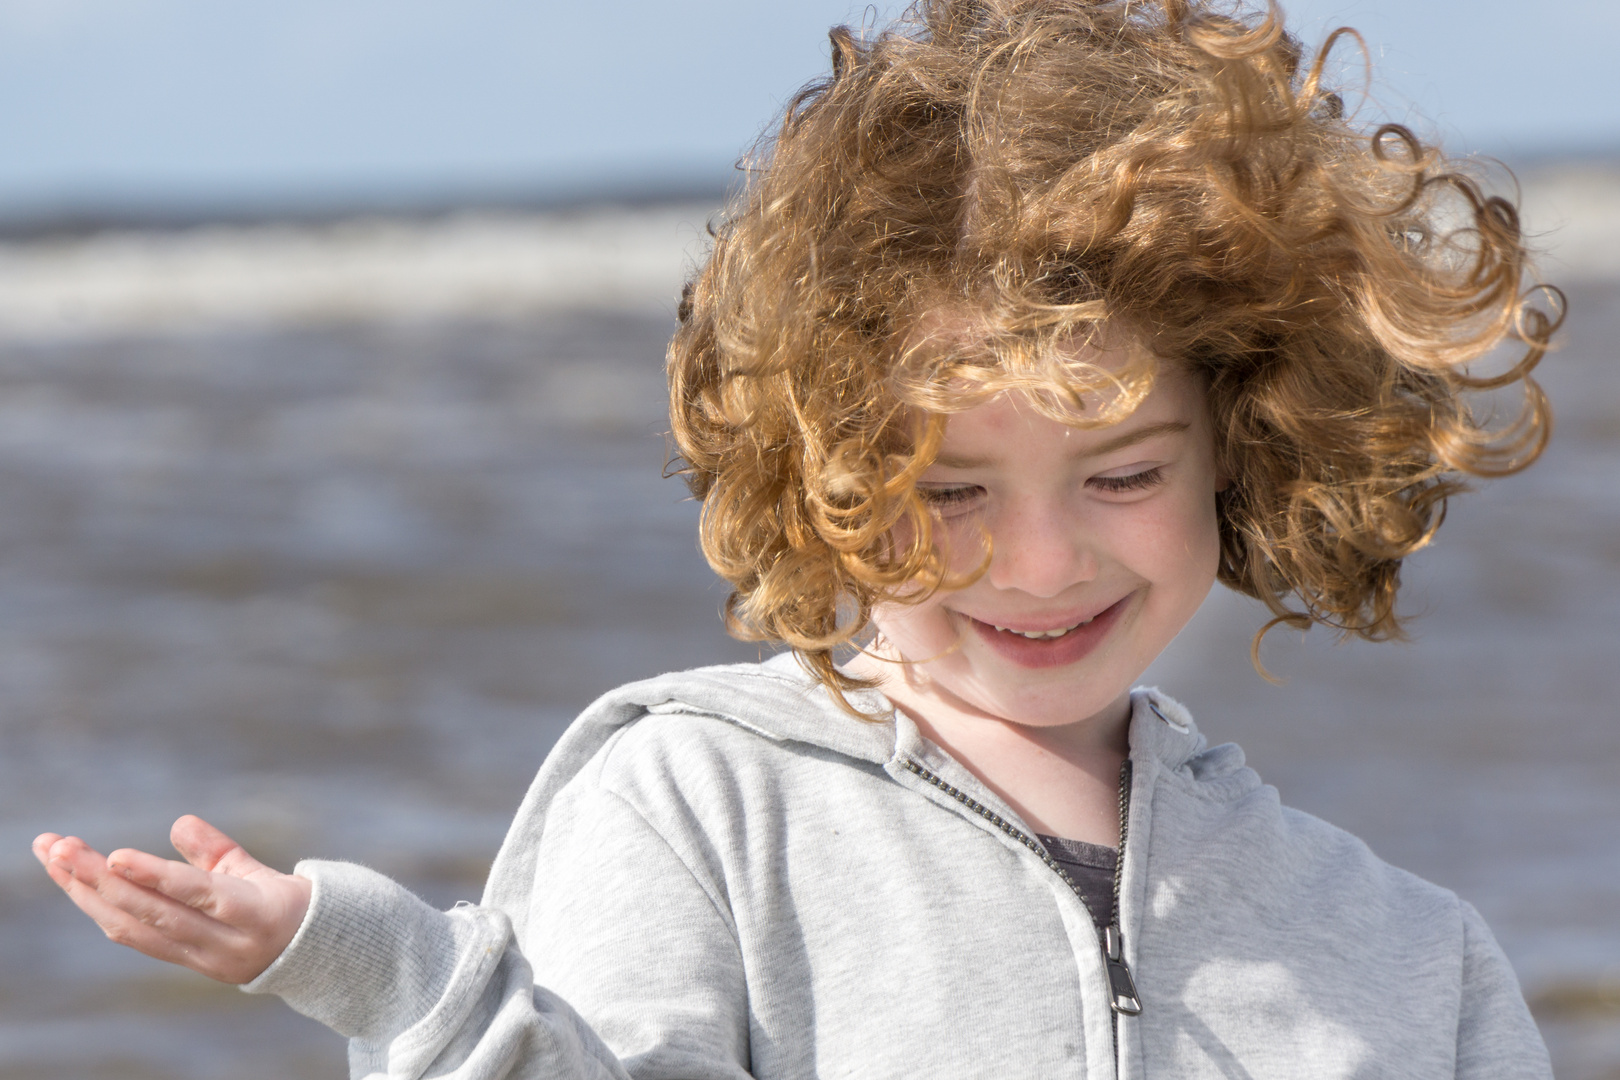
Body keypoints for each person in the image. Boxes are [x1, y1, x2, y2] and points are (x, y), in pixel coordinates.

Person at [33, 0, 1562, 1076]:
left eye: (1120, 475)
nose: (1038, 564)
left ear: (1246, 441)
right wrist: (388, 975)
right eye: (951, 490)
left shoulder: (1405, 955)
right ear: (816, 465)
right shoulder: (700, 807)